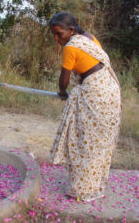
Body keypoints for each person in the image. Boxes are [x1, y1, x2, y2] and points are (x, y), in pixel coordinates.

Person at [48, 12, 122, 202]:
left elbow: (64, 80)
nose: (57, 39)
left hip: (95, 93)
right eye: (54, 35)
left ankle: (83, 190)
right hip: (110, 89)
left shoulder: (70, 47)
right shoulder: (89, 37)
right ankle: (95, 186)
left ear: (71, 30)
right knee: (99, 142)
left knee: (85, 141)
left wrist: (62, 92)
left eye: (59, 34)